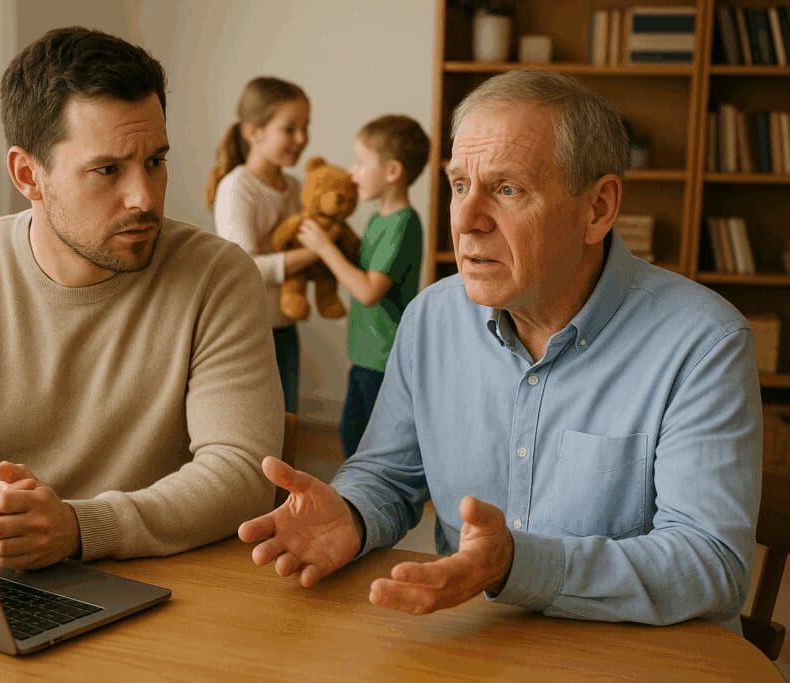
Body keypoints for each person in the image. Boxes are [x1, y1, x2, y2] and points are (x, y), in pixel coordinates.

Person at [239, 70, 762, 632]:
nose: (464, 220)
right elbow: (387, 476)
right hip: (472, 643)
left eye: (508, 189)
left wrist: (518, 565)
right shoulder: (430, 319)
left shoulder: (704, 343)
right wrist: (351, 515)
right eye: (460, 185)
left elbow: (712, 564)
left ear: (598, 208)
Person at [0, 27, 283, 570]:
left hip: (174, 576)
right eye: (108, 169)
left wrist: (80, 527)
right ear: (28, 174)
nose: (144, 197)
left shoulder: (218, 276)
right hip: (9, 575)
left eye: (155, 162)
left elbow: (242, 474)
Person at [297, 115, 429, 458]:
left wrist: (324, 249)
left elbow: (369, 291)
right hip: (365, 354)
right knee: (351, 432)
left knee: (375, 445)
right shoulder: (377, 218)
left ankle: (371, 506)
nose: (352, 173)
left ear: (392, 172)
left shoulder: (403, 224)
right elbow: (359, 262)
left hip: (384, 358)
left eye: (360, 162)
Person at [208, 76, 326, 415]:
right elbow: (244, 267)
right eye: (290, 129)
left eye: (305, 127)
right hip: (248, 329)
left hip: (285, 326)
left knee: (286, 417)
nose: (302, 139)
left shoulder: (294, 186)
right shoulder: (237, 188)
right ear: (253, 132)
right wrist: (315, 252)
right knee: (256, 422)